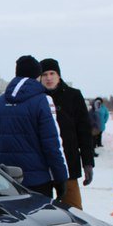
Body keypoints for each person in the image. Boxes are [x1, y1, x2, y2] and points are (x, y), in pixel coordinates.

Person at [0, 55, 68, 199]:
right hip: (39, 180)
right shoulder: (42, 100)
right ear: (37, 76)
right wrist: (60, 177)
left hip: (9, 179)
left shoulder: (0, 102)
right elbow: (51, 143)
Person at [39, 58, 94, 210]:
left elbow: (84, 131)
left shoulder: (73, 96)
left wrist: (88, 162)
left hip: (68, 163)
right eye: (44, 74)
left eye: (52, 73)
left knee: (74, 211)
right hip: (42, 167)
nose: (49, 78)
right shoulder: (36, 97)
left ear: (59, 75)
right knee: (42, 213)